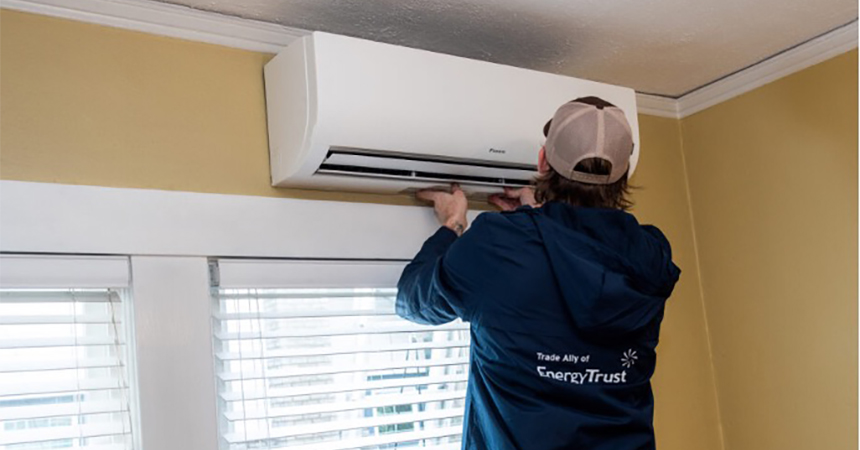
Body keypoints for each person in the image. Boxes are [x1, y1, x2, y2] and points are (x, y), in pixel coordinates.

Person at [396, 96, 682, 450]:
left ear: (543, 159)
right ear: (623, 174)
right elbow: (582, 255)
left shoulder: (498, 244)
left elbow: (412, 301)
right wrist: (539, 219)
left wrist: (452, 226)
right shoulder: (650, 253)